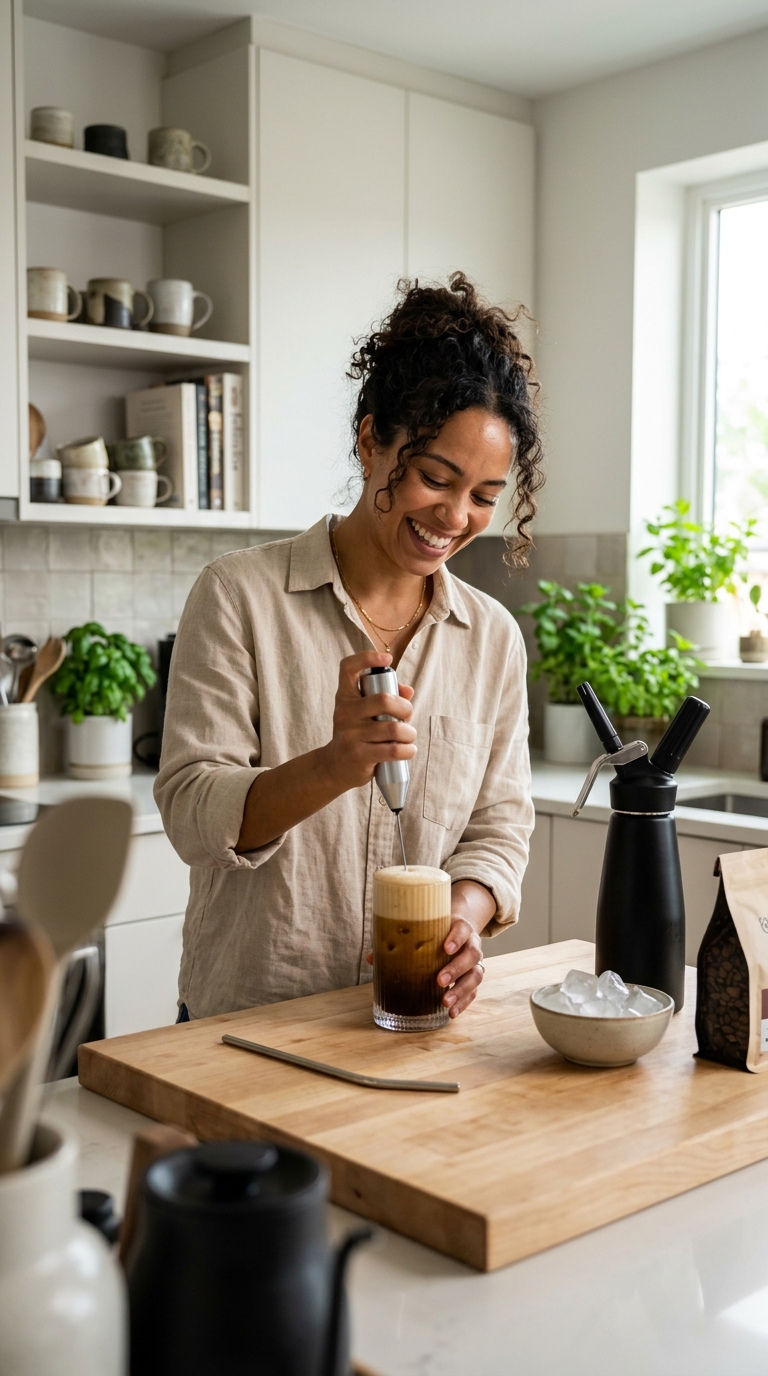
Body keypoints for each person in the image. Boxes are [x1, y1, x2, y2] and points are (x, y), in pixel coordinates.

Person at [155, 272, 544, 1021]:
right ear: (371, 443)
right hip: (246, 1027)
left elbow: (499, 828)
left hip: (409, 1024)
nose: (457, 516)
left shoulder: (491, 638)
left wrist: (464, 915)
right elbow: (190, 810)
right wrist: (334, 765)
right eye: (437, 477)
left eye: (487, 496)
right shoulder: (239, 595)